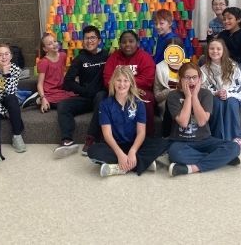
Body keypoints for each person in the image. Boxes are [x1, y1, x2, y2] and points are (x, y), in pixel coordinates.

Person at [87, 66, 169, 177]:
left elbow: (141, 132)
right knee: (93, 151)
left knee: (163, 143)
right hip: (114, 146)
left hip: (134, 144)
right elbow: (107, 134)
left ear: (131, 83)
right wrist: (120, 154)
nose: (122, 84)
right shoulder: (105, 104)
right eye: (119, 80)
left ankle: (118, 168)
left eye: (126, 81)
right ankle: (141, 163)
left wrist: (132, 151)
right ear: (113, 82)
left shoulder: (139, 103)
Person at [84, 30, 156, 154]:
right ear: (120, 44)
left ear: (137, 43)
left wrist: (130, 88)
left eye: (131, 41)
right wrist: (121, 88)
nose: (127, 44)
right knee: (100, 97)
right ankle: (93, 137)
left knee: (148, 98)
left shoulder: (145, 57)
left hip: (138, 91)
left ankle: (146, 138)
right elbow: (107, 78)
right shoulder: (114, 58)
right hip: (116, 90)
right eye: (123, 42)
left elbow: (148, 79)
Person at [166, 63, 241, 176]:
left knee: (234, 147)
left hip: (204, 140)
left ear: (200, 79)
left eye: (194, 77)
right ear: (180, 79)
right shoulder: (173, 96)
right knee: (175, 154)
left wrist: (195, 96)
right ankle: (220, 159)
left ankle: (192, 168)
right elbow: (184, 122)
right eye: (187, 77)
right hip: (181, 141)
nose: (191, 81)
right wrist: (188, 97)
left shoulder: (206, 94)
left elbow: (201, 121)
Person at [55, 25, 108, 157]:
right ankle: (67, 140)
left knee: (101, 96)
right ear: (83, 41)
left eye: (93, 38)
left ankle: (91, 139)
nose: (89, 41)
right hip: (86, 97)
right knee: (63, 105)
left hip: (101, 97)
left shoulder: (107, 56)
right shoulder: (80, 59)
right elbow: (67, 82)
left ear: (99, 40)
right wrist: (84, 91)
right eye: (86, 38)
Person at [200, 38, 241, 145]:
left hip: (231, 96)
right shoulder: (204, 69)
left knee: (231, 103)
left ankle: (235, 137)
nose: (215, 51)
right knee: (217, 104)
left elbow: (240, 85)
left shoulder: (233, 66)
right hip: (214, 97)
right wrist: (215, 93)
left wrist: (228, 93)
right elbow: (203, 86)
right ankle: (217, 137)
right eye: (212, 48)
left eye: (218, 49)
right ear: (208, 51)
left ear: (223, 51)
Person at [153, 38, 186, 137]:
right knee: (173, 102)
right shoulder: (159, 68)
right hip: (166, 100)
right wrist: (170, 91)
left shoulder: (189, 65)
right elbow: (157, 96)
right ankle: (168, 136)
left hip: (187, 97)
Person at [218, 6, 241, 84]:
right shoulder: (222, 34)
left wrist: (228, 61)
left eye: (229, 18)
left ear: (238, 19)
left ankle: (234, 93)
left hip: (240, 64)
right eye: (224, 19)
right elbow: (214, 48)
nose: (226, 21)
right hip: (222, 61)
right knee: (203, 59)